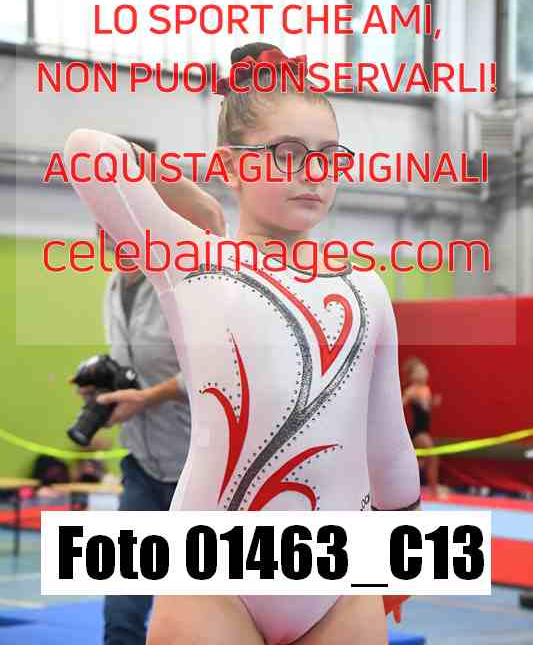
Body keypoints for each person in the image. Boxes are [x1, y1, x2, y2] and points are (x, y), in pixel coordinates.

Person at [64, 42, 421, 645]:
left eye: (328, 156)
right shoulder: (194, 262)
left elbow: (387, 441)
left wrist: (403, 554)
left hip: (340, 581)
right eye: (287, 154)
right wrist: (200, 202)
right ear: (232, 165)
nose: (313, 172)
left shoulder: (364, 286)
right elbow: (87, 151)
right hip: (214, 579)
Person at [71, 164, 225, 645]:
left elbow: (216, 368)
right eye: (99, 222)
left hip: (199, 473)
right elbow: (132, 363)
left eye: (113, 219)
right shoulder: (114, 285)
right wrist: (104, 386)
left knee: (200, 613)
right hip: (142, 465)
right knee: (121, 611)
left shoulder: (187, 279)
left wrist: (149, 397)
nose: (105, 232)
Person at [401, 356, 446, 499]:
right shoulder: (411, 390)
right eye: (420, 371)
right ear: (412, 376)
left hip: (425, 430)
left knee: (421, 460)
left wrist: (433, 403)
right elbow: (400, 405)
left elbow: (426, 407)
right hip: (418, 432)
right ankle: (434, 491)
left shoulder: (426, 389)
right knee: (432, 457)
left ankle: (424, 487)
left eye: (424, 370)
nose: (424, 373)